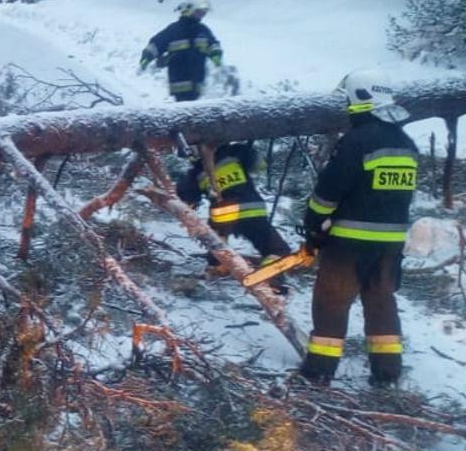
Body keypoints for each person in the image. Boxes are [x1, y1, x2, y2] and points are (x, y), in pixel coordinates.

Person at [297, 70, 418, 387]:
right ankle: (387, 373)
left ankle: (319, 371)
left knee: (331, 302)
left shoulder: (355, 141)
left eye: (348, 100)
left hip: (349, 244)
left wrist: (312, 223)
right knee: (381, 302)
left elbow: (329, 191)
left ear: (359, 99)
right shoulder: (406, 143)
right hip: (391, 243)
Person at [175, 141, 294, 263]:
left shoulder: (196, 173)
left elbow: (187, 196)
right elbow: (261, 165)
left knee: (217, 243)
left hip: (222, 216)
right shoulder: (235, 152)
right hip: (252, 210)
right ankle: (274, 261)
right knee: (271, 244)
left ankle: (216, 263)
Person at [139, 0, 222, 102]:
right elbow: (157, 43)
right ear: (189, 10)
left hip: (197, 83)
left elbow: (213, 44)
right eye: (199, 12)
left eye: (203, 13)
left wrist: (216, 54)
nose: (202, 15)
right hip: (179, 83)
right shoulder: (174, 30)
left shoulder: (203, 31)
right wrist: (147, 56)